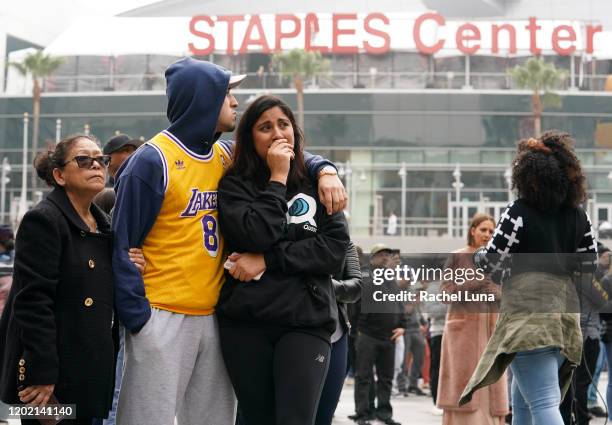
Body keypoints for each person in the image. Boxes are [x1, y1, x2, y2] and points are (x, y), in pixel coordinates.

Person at [112, 59, 347, 425]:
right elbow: (122, 242)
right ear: (203, 99)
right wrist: (138, 319)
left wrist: (326, 169)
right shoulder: (151, 160)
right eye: (227, 94)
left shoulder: (224, 155)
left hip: (214, 315)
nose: (235, 102)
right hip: (162, 312)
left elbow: (286, 151)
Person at [215, 94, 349, 425]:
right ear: (249, 138)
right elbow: (255, 235)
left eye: (284, 124)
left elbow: (333, 251)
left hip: (305, 322)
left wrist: (268, 260)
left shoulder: (319, 183)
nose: (277, 133)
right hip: (247, 324)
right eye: (265, 127)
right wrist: (277, 179)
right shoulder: (234, 185)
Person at [460, 132, 598, 425]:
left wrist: (479, 256)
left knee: (543, 401)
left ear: (528, 175)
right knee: (521, 400)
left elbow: (492, 262)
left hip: (527, 317)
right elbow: (589, 265)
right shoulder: (579, 216)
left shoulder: (518, 212)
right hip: (565, 318)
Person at [0, 135, 124, 423]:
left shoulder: (104, 226)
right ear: (59, 175)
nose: (96, 165)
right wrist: (41, 372)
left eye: (101, 159)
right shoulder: (43, 220)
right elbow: (32, 302)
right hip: (52, 377)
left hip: (92, 368)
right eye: (84, 160)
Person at [437, 213, 508, 425]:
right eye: (483, 230)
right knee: (464, 388)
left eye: (492, 231)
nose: (487, 235)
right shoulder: (457, 257)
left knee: (491, 389)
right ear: (472, 230)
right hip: (463, 335)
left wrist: (498, 292)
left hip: (492, 333)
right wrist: (474, 283)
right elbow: (444, 294)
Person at [353, 243, 407, 425]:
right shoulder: (365, 274)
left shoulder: (390, 279)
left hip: (389, 336)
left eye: (388, 254)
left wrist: (402, 326)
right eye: (381, 254)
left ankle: (384, 413)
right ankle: (362, 414)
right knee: (363, 376)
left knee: (386, 378)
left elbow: (398, 303)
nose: (385, 257)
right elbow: (357, 300)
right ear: (373, 257)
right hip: (367, 334)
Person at [316, 240, 363, 425]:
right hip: (296, 329)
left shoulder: (345, 243)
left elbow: (357, 286)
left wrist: (324, 286)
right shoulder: (291, 231)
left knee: (325, 412)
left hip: (336, 333)